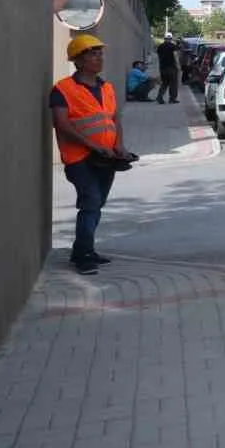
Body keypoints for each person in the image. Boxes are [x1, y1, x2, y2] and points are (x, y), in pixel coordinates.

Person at [51, 34, 139, 275]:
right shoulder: (62, 90)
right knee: (90, 202)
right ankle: (83, 255)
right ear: (78, 60)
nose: (99, 57)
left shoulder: (106, 87)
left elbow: (113, 119)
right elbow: (62, 125)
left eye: (100, 53)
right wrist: (92, 145)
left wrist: (119, 146)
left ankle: (83, 250)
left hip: (106, 158)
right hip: (79, 159)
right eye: (93, 53)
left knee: (96, 204)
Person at [155, 31, 180, 104]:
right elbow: (175, 55)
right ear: (171, 39)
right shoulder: (173, 46)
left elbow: (158, 57)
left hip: (162, 68)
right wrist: (178, 66)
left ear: (164, 38)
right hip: (171, 67)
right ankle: (172, 99)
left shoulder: (160, 46)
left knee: (164, 83)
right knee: (173, 83)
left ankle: (160, 97)